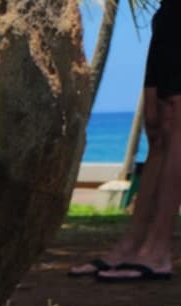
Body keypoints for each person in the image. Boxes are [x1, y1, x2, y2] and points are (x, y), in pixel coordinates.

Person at [72, 1, 181, 283]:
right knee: (157, 128)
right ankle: (129, 247)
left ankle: (157, 252)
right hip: (169, 16)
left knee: (177, 125)